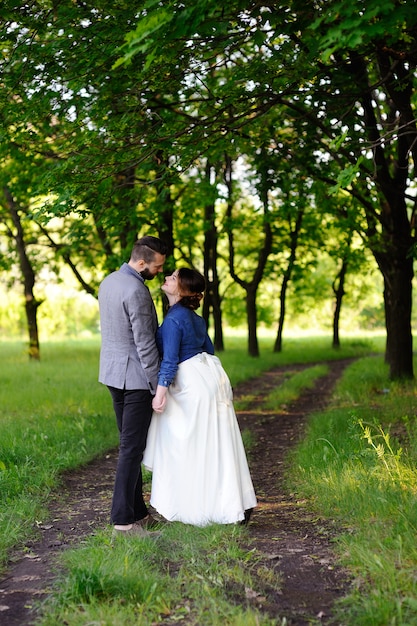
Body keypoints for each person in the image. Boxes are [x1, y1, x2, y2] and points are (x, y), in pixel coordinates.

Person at [143, 267, 257, 526]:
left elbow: (170, 360)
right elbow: (209, 349)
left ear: (182, 290)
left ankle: (197, 505)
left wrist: (160, 394)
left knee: (186, 444)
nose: (167, 278)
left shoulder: (174, 319)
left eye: (173, 278)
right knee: (217, 442)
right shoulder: (196, 319)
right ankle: (229, 502)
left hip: (192, 385)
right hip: (210, 377)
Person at [98, 235, 167, 536]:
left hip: (113, 375)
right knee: (131, 449)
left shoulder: (109, 281)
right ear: (142, 263)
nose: (160, 272)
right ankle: (123, 521)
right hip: (136, 380)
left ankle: (138, 512)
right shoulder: (137, 291)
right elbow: (145, 345)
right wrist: (157, 386)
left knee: (131, 447)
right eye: (157, 267)